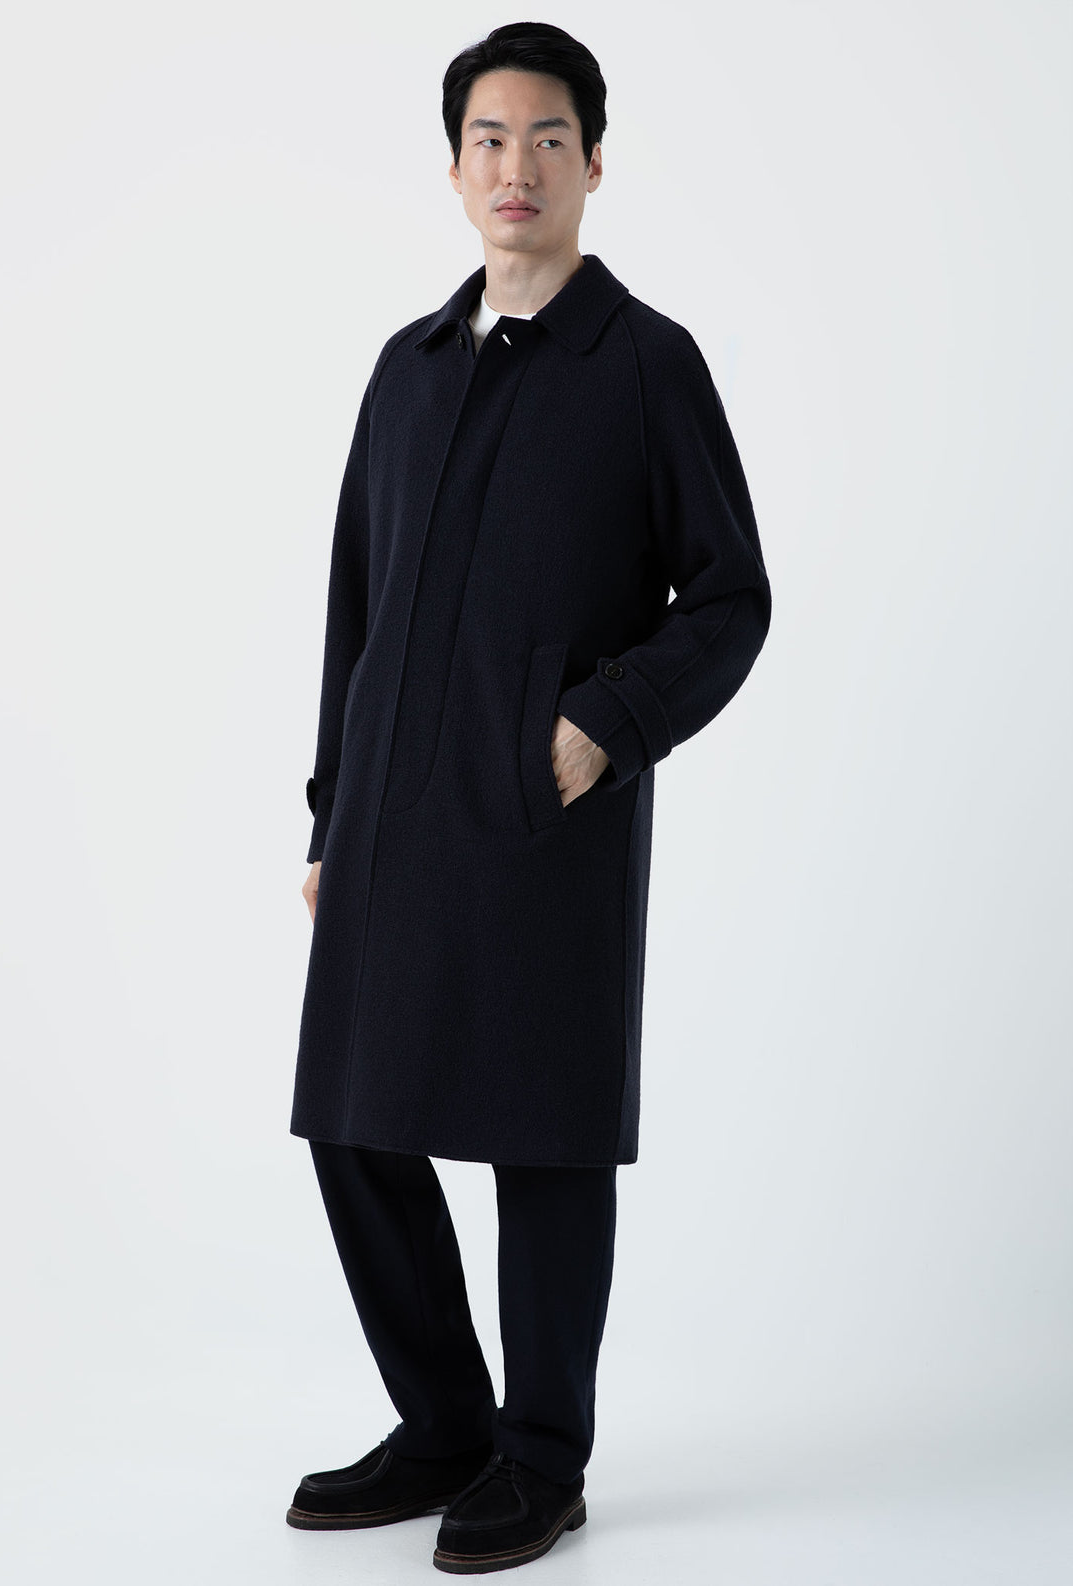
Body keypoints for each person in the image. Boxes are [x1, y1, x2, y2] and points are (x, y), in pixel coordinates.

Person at [285, 21, 772, 1575]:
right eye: (488, 139)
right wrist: (331, 813)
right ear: (453, 168)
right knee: (352, 1115)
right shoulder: (408, 368)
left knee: (541, 1135)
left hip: (546, 811)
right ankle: (444, 1420)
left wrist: (601, 728)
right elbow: (354, 610)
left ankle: (541, 1455)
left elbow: (731, 598)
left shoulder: (642, 364)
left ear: (592, 163)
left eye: (546, 138)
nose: (516, 166)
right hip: (389, 817)